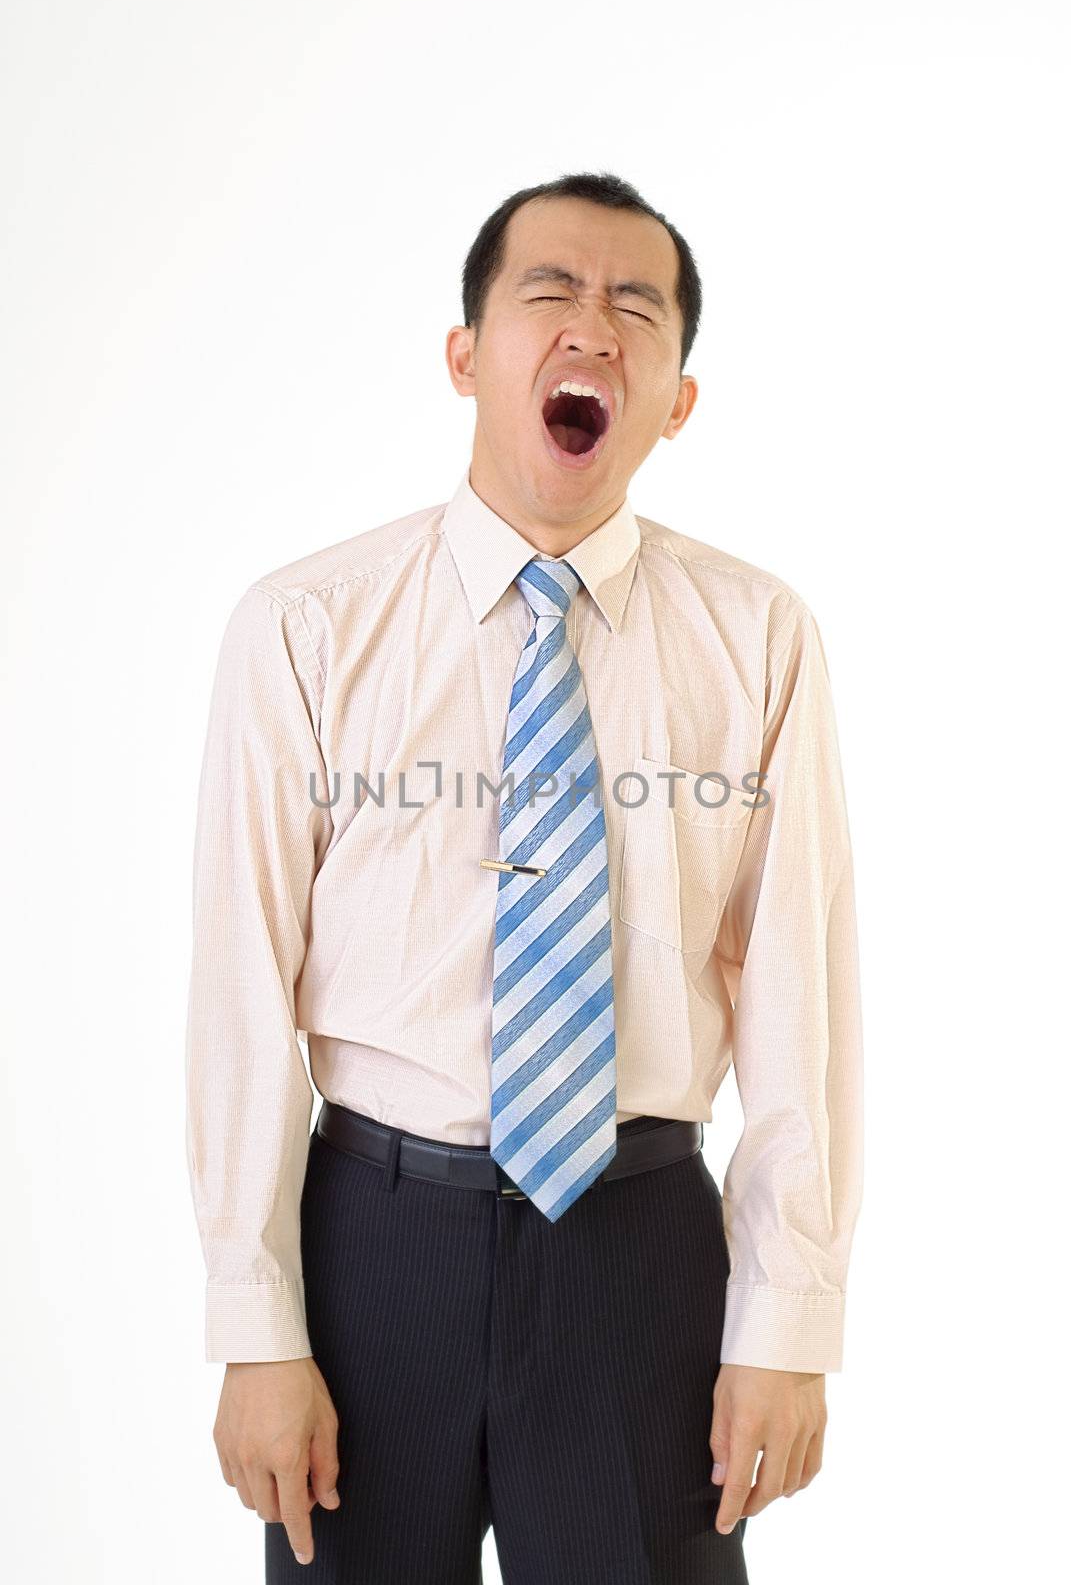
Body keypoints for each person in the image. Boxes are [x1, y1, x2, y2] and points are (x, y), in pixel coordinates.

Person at [184, 170, 864, 1584]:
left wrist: (788, 1329)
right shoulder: (307, 628)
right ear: (464, 356)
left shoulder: (758, 640)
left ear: (676, 396)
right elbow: (240, 990)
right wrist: (258, 1325)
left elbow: (803, 993)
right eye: (546, 293)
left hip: (641, 1250)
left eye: (637, 308)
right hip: (376, 1250)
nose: (592, 329)